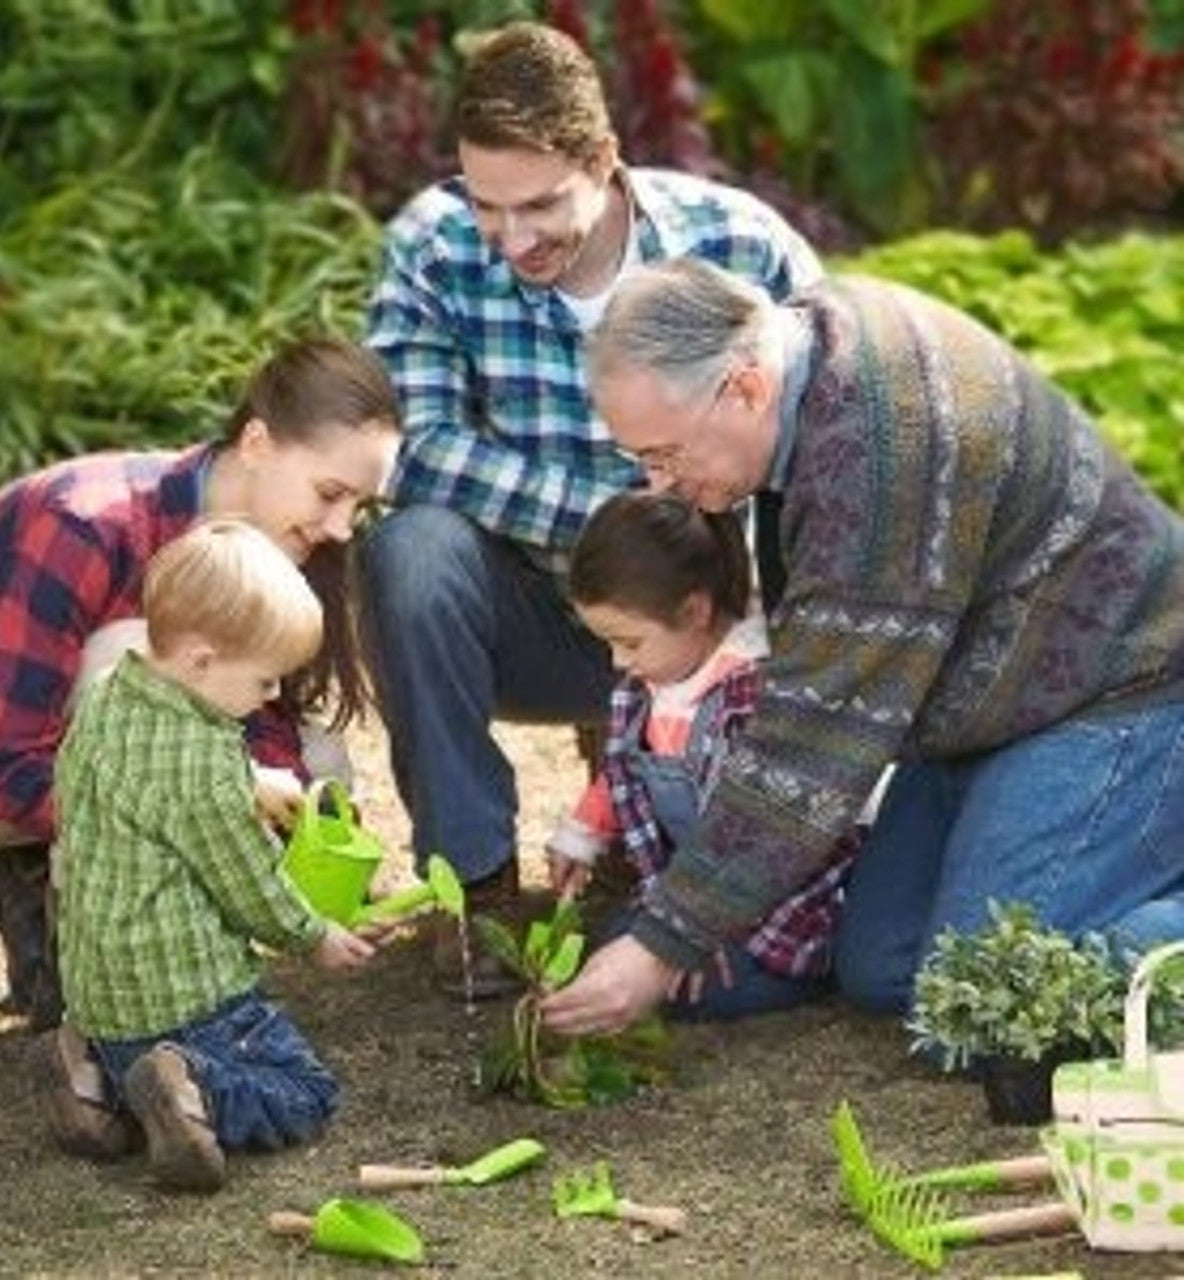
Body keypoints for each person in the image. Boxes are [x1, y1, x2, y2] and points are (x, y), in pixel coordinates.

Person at [540, 256, 1184, 1038]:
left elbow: (815, 733)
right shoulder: (807, 351)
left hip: (1119, 687)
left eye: (667, 454)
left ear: (743, 387)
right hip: (990, 706)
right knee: (881, 970)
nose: (658, 484)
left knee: (981, 1001)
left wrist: (664, 939)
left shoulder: (879, 449)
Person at [359, 20, 823, 994]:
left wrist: (698, 563)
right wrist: (619, 522)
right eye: (489, 206)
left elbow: (829, 427)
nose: (513, 238)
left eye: (538, 206)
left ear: (604, 161)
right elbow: (417, 449)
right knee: (408, 550)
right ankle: (472, 885)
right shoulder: (436, 249)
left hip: (712, 628)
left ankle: (666, 855)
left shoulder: (735, 244)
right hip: (532, 614)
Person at [0, 338, 399, 1029]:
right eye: (331, 494)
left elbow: (260, 733)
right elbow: (3, 766)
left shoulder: (264, 553)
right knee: (139, 656)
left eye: (361, 507)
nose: (342, 528)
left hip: (42, 759)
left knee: (317, 764)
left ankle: (34, 886)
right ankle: (111, 1012)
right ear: (256, 441)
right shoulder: (84, 522)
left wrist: (317, 882)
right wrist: (208, 803)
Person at [38, 518, 377, 1192]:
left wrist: (250, 778)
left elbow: (143, 784)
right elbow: (246, 882)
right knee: (306, 1091)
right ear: (201, 660)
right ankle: (195, 1086)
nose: (272, 696)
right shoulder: (204, 766)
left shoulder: (107, 694)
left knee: (132, 1057)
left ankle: (89, 1075)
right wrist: (313, 936)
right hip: (190, 1007)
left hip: (102, 998)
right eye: (264, 682)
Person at [547, 491, 855, 1020]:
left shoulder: (753, 695)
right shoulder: (653, 681)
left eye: (629, 642)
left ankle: (804, 969)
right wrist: (585, 832)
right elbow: (623, 766)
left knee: (695, 993)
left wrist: (692, 934)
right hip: (694, 888)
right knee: (605, 947)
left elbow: (765, 838)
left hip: (777, 900)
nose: (619, 661)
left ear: (694, 610)